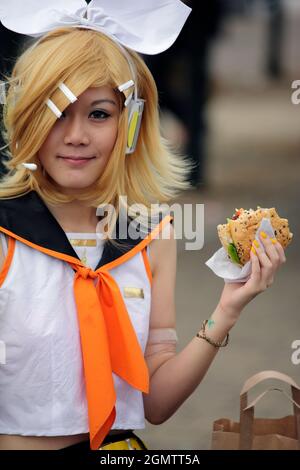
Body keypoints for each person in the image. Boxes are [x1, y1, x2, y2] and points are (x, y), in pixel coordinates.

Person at [0, 0, 286, 451]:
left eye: (98, 113)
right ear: (26, 117)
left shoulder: (152, 235)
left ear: (130, 122)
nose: (76, 134)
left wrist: (228, 309)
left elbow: (155, 403)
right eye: (56, 112)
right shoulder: (4, 234)